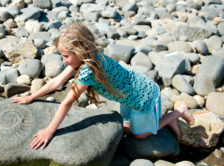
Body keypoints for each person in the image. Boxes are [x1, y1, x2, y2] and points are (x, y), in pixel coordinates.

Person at [11, 22, 195, 150]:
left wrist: (50, 130)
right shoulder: (86, 57)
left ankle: (177, 113)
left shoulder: (89, 69)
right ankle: (165, 119)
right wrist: (31, 97)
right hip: (129, 96)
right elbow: (56, 82)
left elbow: (67, 102)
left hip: (142, 98)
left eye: (66, 55)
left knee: (139, 136)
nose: (64, 60)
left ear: (80, 50)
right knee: (126, 128)